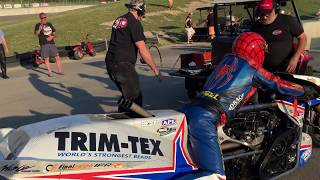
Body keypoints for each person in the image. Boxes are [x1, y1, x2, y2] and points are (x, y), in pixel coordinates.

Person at [179, 32, 316, 180]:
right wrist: (304, 90)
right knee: (215, 176)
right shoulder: (251, 68)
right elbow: (276, 83)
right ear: (257, 51)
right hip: (205, 117)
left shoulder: (226, 60)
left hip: (192, 108)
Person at [105, 0, 160, 114]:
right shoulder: (134, 22)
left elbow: (124, 41)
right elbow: (142, 49)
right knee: (135, 100)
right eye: (143, 12)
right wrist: (155, 69)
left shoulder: (119, 20)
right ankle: (131, 129)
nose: (143, 16)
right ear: (140, 10)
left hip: (111, 64)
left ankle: (120, 120)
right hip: (123, 65)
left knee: (128, 98)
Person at [252, 0, 307, 73]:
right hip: (264, 71)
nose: (265, 17)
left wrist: (295, 58)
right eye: (262, 14)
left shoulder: (288, 21)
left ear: (275, 9)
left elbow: (303, 38)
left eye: (268, 13)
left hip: (286, 68)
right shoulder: (255, 27)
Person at [34, 12, 63, 77]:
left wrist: (52, 37)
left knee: (57, 57)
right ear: (40, 18)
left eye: (45, 17)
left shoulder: (49, 24)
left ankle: (60, 71)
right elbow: (36, 34)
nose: (44, 19)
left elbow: (55, 33)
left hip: (52, 43)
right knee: (46, 59)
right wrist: (40, 29)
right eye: (42, 18)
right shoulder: (38, 25)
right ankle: (50, 73)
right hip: (43, 44)